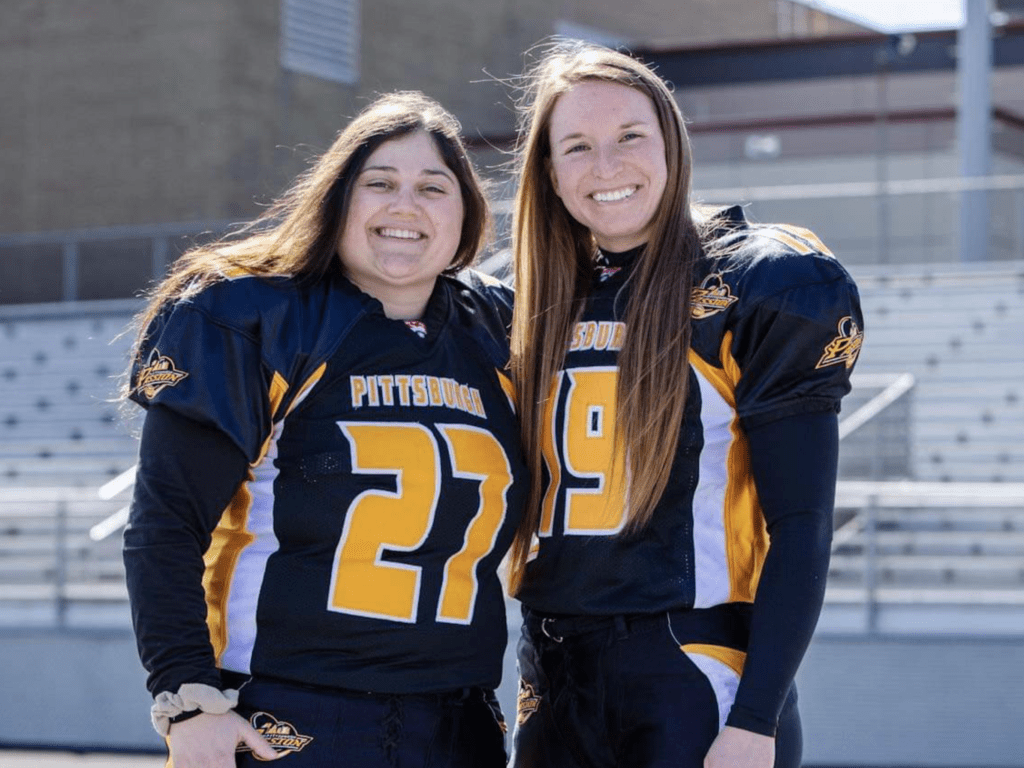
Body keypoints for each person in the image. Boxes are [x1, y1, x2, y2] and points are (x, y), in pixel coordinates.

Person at [122, 91, 527, 768]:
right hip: (288, 710)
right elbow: (165, 523)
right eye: (380, 183)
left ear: (467, 216)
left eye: (434, 187)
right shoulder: (255, 315)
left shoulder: (500, 331)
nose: (406, 206)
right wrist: (186, 698)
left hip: (460, 720)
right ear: (337, 198)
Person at [505, 41, 864, 768]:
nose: (606, 167)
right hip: (552, 669)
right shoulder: (522, 296)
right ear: (548, 170)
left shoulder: (761, 282)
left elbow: (802, 526)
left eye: (630, 137)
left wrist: (756, 718)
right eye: (577, 146)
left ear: (672, 142)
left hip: (692, 666)